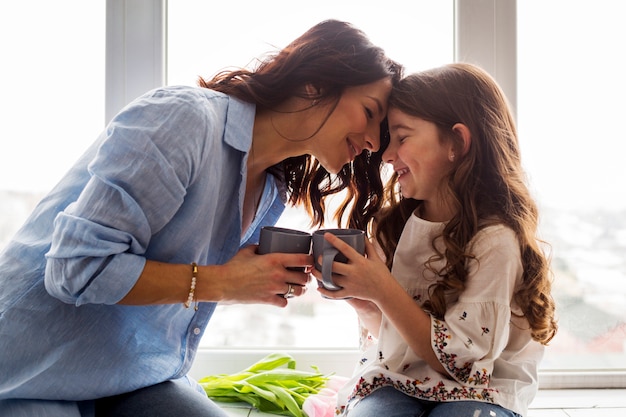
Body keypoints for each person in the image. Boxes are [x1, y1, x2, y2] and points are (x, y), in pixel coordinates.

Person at [0, 19, 402, 417]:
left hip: (131, 376)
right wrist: (225, 282)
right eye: (368, 112)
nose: (371, 142)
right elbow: (75, 267)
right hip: (30, 372)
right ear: (315, 83)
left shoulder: (271, 188)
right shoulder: (185, 120)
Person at [314, 63, 558, 417]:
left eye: (402, 137)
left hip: (481, 390)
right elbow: (394, 334)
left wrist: (383, 289)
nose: (386, 155)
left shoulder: (495, 241)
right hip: (399, 380)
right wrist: (364, 299)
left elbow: (464, 366)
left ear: (457, 142)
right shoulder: (394, 227)